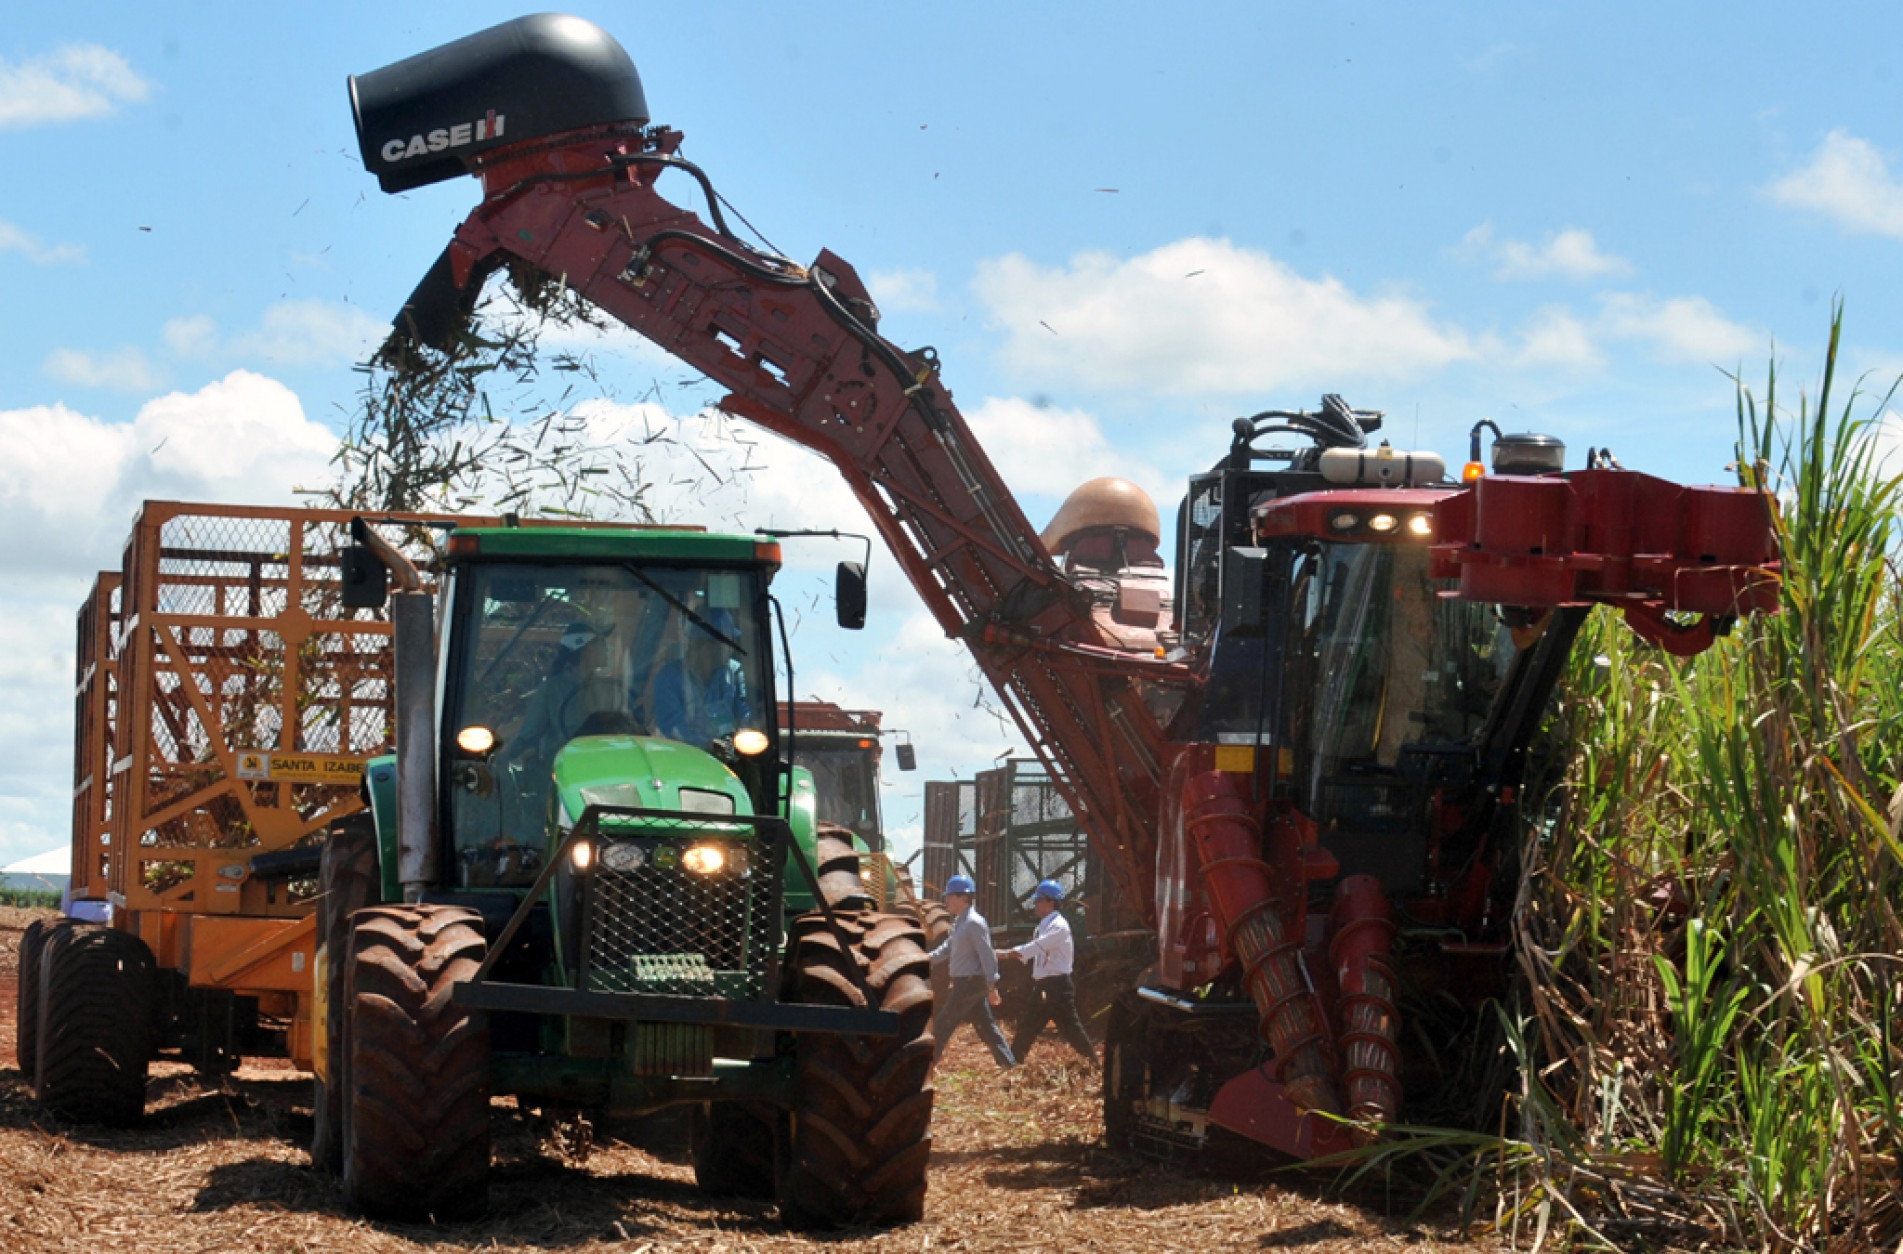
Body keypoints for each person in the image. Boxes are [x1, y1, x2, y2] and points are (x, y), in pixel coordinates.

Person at [999, 879, 1097, 1066]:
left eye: (1038, 900)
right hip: (1045, 985)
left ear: (1050, 902)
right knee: (1028, 1026)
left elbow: (1038, 947)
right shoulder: (1043, 925)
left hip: (1057, 986)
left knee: (1072, 1030)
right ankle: (1011, 1064)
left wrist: (1007, 954)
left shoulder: (1058, 926)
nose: (1035, 904)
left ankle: (1092, 1063)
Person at [927, 875, 1016, 1068]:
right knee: (986, 1026)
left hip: (970, 982)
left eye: (951, 897)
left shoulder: (975, 923)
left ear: (965, 898)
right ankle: (1008, 1064)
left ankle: (926, 1065)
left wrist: (992, 986)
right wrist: (927, 959)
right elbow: (947, 948)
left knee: (944, 1023)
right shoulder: (960, 923)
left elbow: (987, 955)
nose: (947, 900)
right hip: (965, 982)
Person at [652, 609, 751, 745]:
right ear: (706, 645)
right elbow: (672, 727)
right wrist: (709, 745)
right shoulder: (668, 678)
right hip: (686, 758)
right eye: (727, 643)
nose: (730, 649)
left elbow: (745, 711)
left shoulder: (734, 672)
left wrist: (747, 731)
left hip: (730, 758)